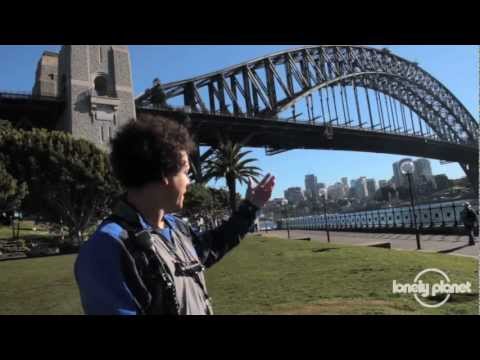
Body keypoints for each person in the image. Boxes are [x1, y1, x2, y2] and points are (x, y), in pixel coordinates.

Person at [74, 115, 275, 315]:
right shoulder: (108, 248)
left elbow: (211, 247)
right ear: (164, 174)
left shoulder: (176, 228)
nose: (189, 182)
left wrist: (250, 207)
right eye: (185, 172)